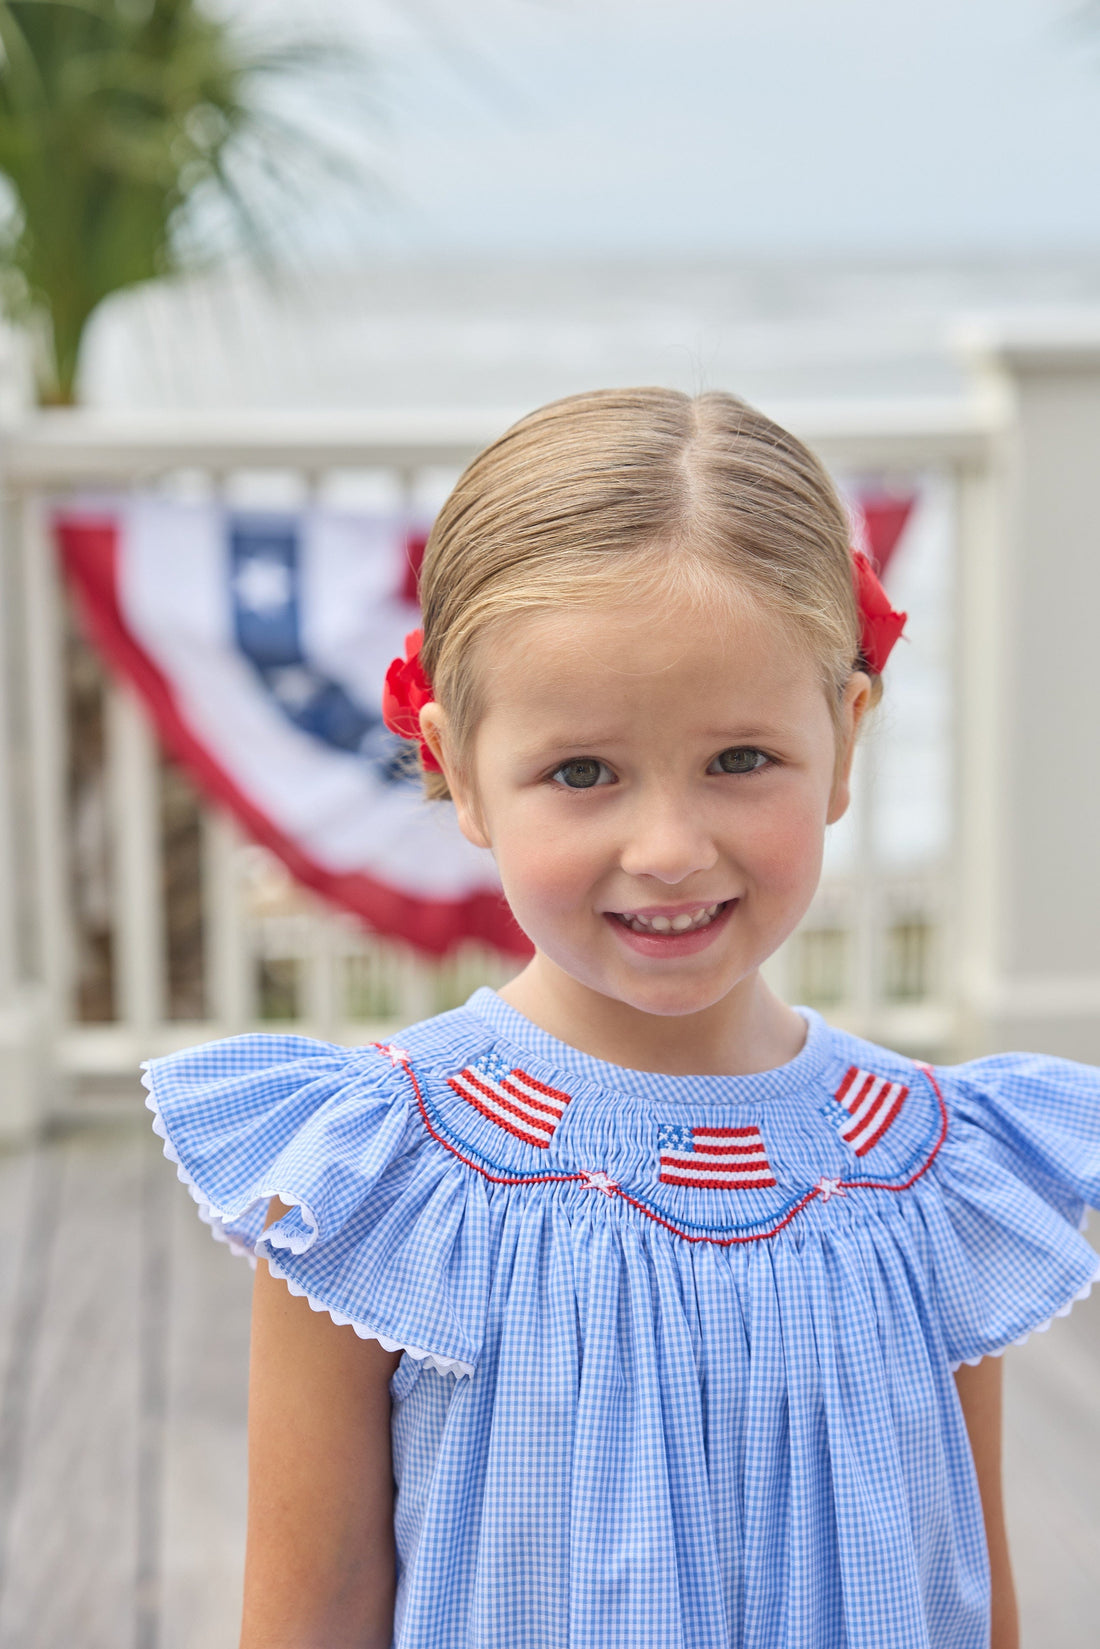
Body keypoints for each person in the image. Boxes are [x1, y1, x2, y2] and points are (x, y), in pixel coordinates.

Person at [143, 388, 1100, 1649]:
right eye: (581, 771)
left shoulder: (933, 1168)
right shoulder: (374, 1175)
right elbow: (311, 1608)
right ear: (458, 767)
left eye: (739, 759)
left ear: (844, 733)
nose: (666, 846)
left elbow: (964, 1592)